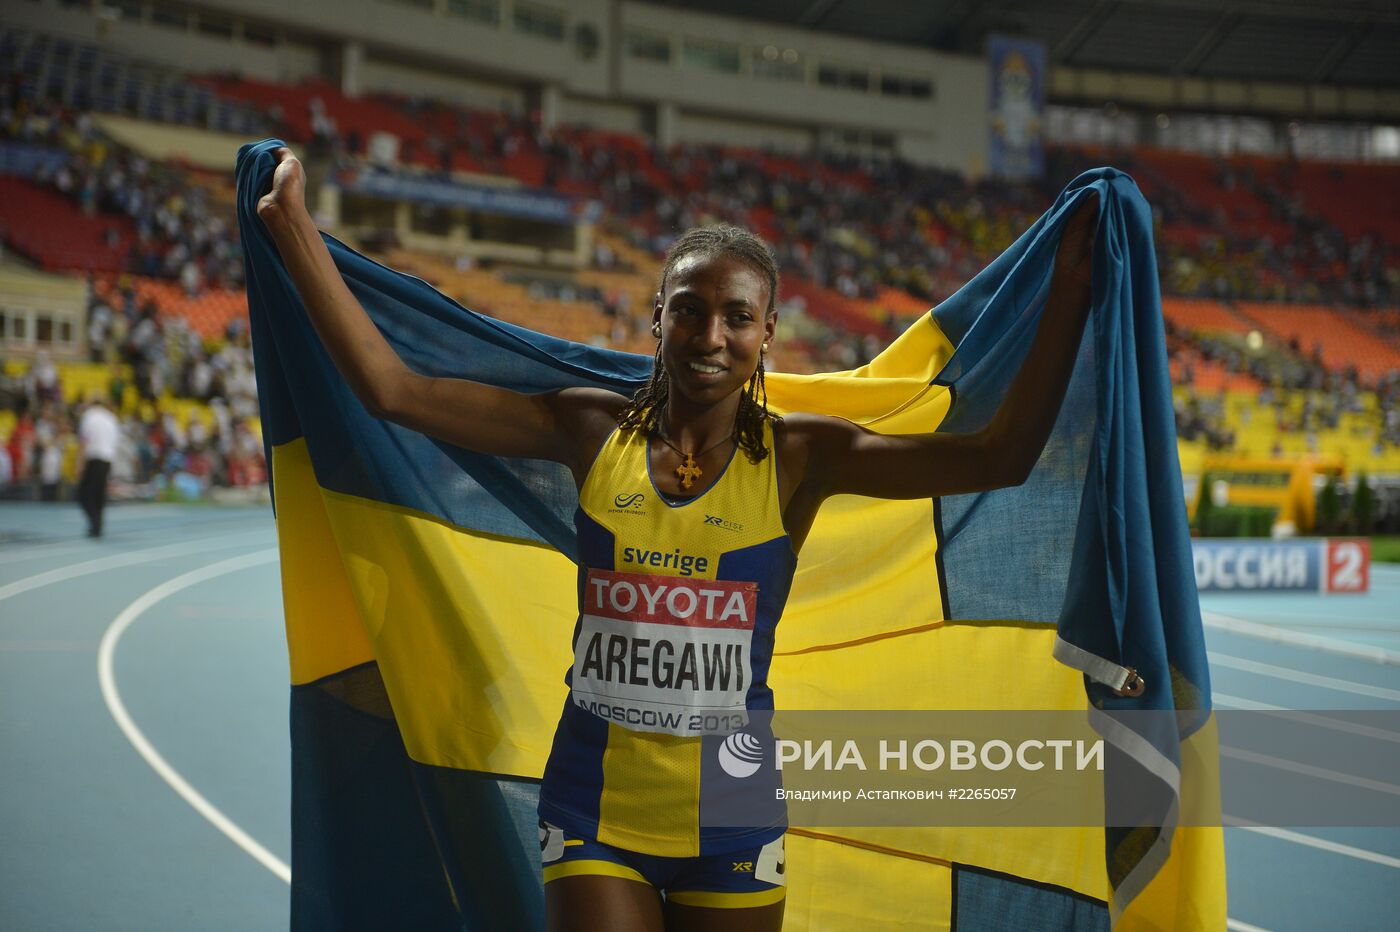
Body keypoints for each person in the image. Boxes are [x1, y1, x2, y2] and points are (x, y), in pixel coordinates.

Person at [256, 147, 1100, 932]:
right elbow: (393, 390)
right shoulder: (589, 430)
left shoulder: (801, 458)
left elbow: (1002, 455)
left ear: (767, 334)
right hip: (594, 802)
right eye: (690, 312)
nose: (710, 337)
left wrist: (1067, 284)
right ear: (656, 317)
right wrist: (292, 226)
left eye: (738, 317)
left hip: (734, 805)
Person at [77, 395, 119, 537]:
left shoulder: (88, 416)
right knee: (99, 494)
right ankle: (98, 525)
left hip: (93, 457)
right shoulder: (111, 418)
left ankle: (94, 523)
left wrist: (79, 463)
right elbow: (114, 442)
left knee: (84, 494)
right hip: (107, 459)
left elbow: (84, 441)